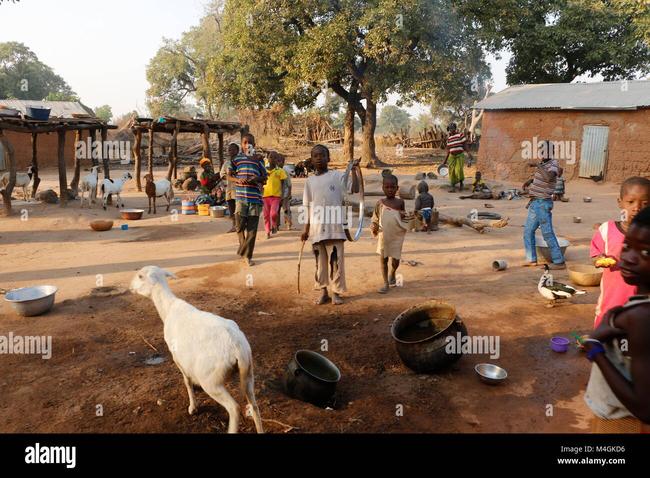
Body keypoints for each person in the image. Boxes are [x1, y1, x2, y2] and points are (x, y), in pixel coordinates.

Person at [582, 205, 650, 433]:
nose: (629, 258)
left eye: (646, 253)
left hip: (623, 421)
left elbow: (644, 408)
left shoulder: (641, 317)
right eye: (628, 246)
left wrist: (595, 350)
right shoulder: (637, 310)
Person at [301, 144, 358, 305]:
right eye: (315, 156)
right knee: (320, 263)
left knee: (336, 261)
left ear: (329, 158)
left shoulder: (337, 176)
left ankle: (337, 292)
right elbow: (307, 206)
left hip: (335, 228)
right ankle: (324, 292)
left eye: (322, 155)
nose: (319, 158)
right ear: (311, 160)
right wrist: (306, 229)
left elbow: (354, 189)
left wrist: (353, 171)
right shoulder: (310, 181)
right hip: (317, 230)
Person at [591, 177, 650, 328]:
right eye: (630, 202)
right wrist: (600, 259)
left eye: (645, 204)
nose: (637, 208)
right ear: (620, 202)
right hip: (610, 302)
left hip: (641, 304)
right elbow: (596, 255)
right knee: (605, 335)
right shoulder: (606, 229)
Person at [521, 140, 565, 269]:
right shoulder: (544, 163)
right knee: (528, 231)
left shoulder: (553, 164)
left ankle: (559, 261)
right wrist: (530, 181)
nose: (542, 153)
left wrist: (537, 165)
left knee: (547, 233)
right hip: (535, 203)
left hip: (543, 204)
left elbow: (548, 178)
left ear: (551, 152)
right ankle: (531, 259)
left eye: (545, 151)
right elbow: (541, 177)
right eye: (541, 151)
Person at [229, 133, 267, 266]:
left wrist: (255, 179)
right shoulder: (236, 159)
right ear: (241, 145)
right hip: (240, 198)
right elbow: (229, 175)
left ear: (254, 145)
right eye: (245, 142)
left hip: (255, 199)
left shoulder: (258, 160)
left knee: (252, 229)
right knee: (239, 226)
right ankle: (243, 248)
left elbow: (265, 178)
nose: (247, 145)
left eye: (250, 142)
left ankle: (247, 256)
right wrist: (238, 179)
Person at [371, 175, 408, 293]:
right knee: (383, 259)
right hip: (383, 236)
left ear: (397, 188)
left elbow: (404, 217)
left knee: (395, 260)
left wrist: (403, 214)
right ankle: (385, 283)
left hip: (396, 236)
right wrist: (374, 226)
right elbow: (375, 218)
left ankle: (392, 273)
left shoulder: (400, 202)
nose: (390, 189)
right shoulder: (380, 203)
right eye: (387, 187)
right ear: (382, 188)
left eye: (393, 187)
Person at [262, 151, 287, 239]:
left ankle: (274, 224)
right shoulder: (264, 170)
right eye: (271, 157)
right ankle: (267, 231)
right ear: (267, 158)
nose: (272, 159)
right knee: (266, 215)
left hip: (276, 196)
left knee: (273, 214)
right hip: (265, 196)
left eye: (275, 158)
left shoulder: (280, 171)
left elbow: (283, 183)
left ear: (277, 160)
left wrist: (283, 195)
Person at [441, 123, 469, 192]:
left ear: (455, 128)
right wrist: (444, 161)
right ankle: (453, 187)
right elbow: (448, 151)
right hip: (452, 157)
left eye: (452, 128)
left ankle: (461, 183)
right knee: (451, 171)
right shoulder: (449, 139)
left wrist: (468, 153)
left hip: (460, 156)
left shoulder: (460, 135)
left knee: (458, 170)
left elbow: (465, 145)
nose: (451, 130)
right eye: (450, 129)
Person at [220, 143, 240, 233]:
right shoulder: (227, 163)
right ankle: (234, 225)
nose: (231, 151)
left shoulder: (241, 162)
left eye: (233, 150)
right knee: (231, 208)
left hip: (238, 189)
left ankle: (239, 225)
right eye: (229, 150)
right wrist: (229, 176)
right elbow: (222, 175)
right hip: (229, 189)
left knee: (238, 209)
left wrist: (234, 175)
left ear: (237, 151)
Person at [278, 154, 293, 230]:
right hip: (276, 194)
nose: (278, 163)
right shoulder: (274, 171)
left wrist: (289, 194)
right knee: (276, 210)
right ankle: (276, 225)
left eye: (280, 161)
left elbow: (289, 184)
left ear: (283, 163)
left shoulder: (285, 171)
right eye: (277, 161)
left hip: (285, 195)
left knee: (286, 210)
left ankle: (288, 223)